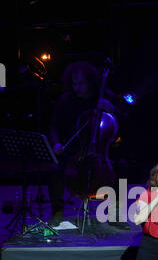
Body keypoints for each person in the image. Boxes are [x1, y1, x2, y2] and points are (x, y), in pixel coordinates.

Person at [48, 60, 127, 228]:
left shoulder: (105, 95)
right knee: (55, 168)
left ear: (90, 81)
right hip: (74, 151)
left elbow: (126, 119)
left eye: (81, 83)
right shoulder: (66, 100)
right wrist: (56, 144)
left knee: (122, 166)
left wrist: (112, 108)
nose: (77, 87)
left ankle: (116, 214)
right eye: (74, 83)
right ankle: (57, 212)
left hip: (101, 151)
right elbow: (54, 126)